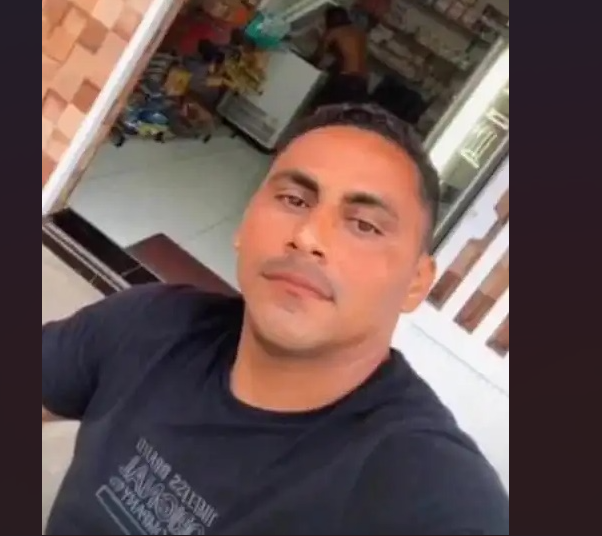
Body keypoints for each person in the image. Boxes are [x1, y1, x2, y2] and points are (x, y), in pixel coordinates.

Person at [42, 103, 509, 535]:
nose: (308, 237)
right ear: (245, 223)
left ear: (416, 283)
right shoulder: (149, 323)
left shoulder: (427, 488)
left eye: (364, 225)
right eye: (294, 200)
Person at [308, 7, 370, 108]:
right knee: (344, 114)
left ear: (330, 20)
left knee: (319, 107)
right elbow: (351, 56)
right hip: (363, 82)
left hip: (346, 80)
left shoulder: (333, 32)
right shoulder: (360, 33)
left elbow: (317, 57)